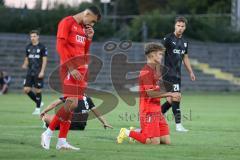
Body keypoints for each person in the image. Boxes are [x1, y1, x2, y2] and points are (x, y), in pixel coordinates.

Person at [41, 6, 101, 150]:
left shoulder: (82, 28)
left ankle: (62, 141)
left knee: (72, 106)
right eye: (92, 21)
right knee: (72, 103)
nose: (91, 25)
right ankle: (48, 133)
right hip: (70, 69)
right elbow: (60, 46)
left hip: (81, 71)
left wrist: (89, 38)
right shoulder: (67, 22)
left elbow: (84, 52)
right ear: (86, 14)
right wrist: (71, 67)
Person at [116, 43, 181, 145]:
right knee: (154, 142)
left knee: (166, 142)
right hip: (148, 110)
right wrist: (170, 94)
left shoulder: (156, 69)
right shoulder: (146, 72)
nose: (161, 56)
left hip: (157, 110)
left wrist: (168, 95)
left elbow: (159, 85)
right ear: (152, 55)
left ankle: (138, 131)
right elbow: (150, 93)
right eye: (160, 54)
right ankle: (126, 132)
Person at [160, 16, 196, 132]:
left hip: (177, 74)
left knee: (171, 101)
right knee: (176, 97)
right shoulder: (168, 39)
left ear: (185, 27)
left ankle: (155, 116)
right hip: (168, 74)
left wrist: (190, 71)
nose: (180, 28)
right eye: (178, 26)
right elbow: (159, 54)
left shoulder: (184, 42)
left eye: (182, 26)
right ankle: (178, 125)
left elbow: (185, 57)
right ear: (174, 26)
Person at [40, 95, 113, 131]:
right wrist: (104, 122)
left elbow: (54, 104)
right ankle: (52, 125)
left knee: (46, 117)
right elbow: (97, 112)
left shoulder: (71, 94)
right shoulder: (88, 98)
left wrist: (44, 111)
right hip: (81, 126)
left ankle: (48, 125)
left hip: (70, 123)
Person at [22, 30, 48, 115]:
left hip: (38, 71)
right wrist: (24, 64)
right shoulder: (28, 47)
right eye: (31, 36)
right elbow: (27, 58)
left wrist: (42, 71)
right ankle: (39, 103)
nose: (32, 38)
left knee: (38, 90)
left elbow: (44, 60)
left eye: (34, 36)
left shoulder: (42, 47)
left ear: (38, 37)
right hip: (30, 71)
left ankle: (37, 109)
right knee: (26, 89)